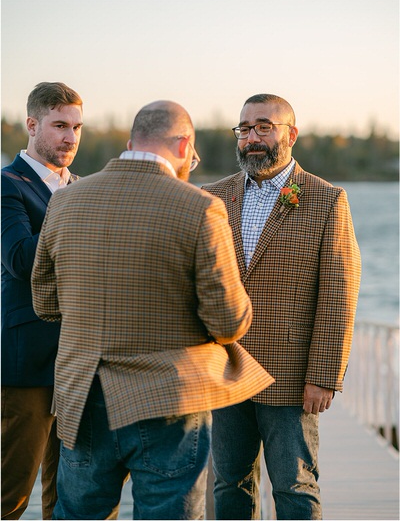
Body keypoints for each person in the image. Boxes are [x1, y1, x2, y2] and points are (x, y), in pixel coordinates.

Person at [31, 99, 273, 521]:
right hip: (168, 402)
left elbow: (45, 302)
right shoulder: (200, 207)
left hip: (82, 392)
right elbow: (228, 322)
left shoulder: (66, 201)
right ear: (183, 146)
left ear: (130, 143)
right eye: (192, 156)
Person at [204, 92, 361, 520]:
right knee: (228, 483)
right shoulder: (212, 197)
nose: (252, 137)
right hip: (225, 372)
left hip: (290, 378)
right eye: (244, 129)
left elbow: (339, 293)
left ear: (291, 134)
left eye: (263, 127)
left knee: (295, 486)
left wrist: (324, 375)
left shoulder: (326, 200)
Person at [1, 81, 83, 521]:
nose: (70, 137)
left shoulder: (84, 186)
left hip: (79, 361)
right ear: (32, 125)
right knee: (10, 494)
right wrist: (70, 210)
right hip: (26, 361)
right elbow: (18, 260)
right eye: (59, 126)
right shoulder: (6, 184)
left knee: (69, 495)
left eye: (76, 127)